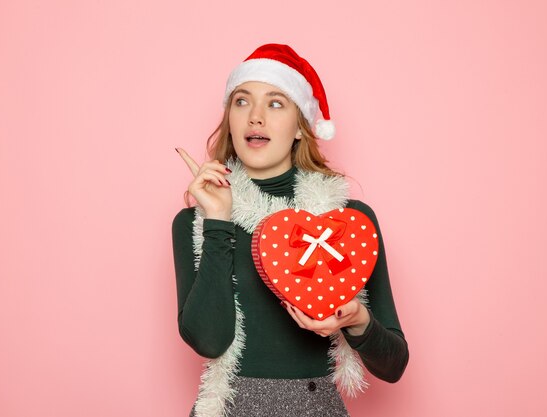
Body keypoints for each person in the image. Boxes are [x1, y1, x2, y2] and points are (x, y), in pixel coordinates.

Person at [172, 44, 409, 417]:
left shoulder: (347, 223)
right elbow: (208, 340)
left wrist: (357, 321)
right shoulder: (196, 222)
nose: (255, 117)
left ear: (301, 127)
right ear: (230, 118)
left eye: (276, 103)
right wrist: (218, 222)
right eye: (242, 101)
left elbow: (394, 366)